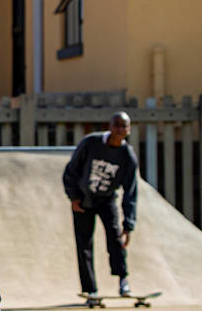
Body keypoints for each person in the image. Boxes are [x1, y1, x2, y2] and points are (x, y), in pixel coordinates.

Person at [61, 113, 138, 298]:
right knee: (84, 244)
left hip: (107, 199)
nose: (120, 130)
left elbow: (131, 192)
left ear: (129, 130)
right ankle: (90, 288)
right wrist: (74, 198)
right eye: (116, 125)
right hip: (84, 200)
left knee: (116, 239)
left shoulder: (128, 157)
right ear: (110, 126)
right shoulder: (90, 143)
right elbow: (70, 171)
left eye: (124, 126)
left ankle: (123, 281)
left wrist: (128, 224)